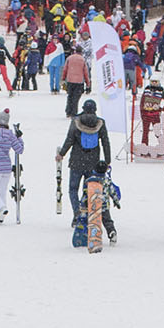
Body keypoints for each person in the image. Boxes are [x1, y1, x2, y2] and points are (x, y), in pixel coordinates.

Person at [58, 99, 114, 241]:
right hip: (93, 161)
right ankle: (86, 214)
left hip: (76, 161)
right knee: (88, 190)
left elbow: (69, 139)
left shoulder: (76, 121)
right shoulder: (100, 123)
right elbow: (106, 141)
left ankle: (77, 213)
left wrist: (61, 154)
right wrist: (107, 160)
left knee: (73, 189)